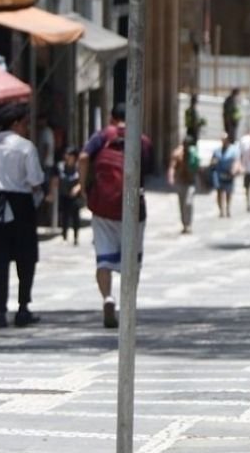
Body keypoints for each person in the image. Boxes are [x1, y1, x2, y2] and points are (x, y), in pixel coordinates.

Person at [80, 104, 153, 329]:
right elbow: (146, 171)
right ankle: (127, 304)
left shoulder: (102, 136)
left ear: (112, 118)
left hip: (103, 204)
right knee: (132, 258)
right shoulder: (142, 140)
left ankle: (107, 298)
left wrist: (85, 188)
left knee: (104, 256)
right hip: (132, 203)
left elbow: (83, 157)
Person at [0, 103, 45, 328]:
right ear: (16, 124)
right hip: (21, 202)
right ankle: (23, 307)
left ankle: (0, 312)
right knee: (26, 258)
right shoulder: (25, 148)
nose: (27, 128)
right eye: (25, 123)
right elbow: (35, 180)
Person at [167, 137, 199, 234]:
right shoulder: (177, 153)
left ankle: (188, 224)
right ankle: (184, 224)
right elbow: (172, 166)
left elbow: (197, 167)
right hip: (181, 182)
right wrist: (171, 177)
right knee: (181, 204)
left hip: (190, 182)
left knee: (188, 203)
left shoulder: (193, 153)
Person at [57, 148, 82, 245]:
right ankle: (64, 236)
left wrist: (77, 188)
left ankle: (76, 237)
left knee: (75, 217)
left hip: (74, 196)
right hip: (64, 195)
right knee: (64, 216)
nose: (67, 157)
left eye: (69, 155)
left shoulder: (78, 167)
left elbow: (82, 180)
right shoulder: (61, 166)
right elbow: (57, 178)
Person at [210, 133, 239, 218]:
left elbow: (236, 161)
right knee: (219, 192)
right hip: (219, 174)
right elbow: (212, 161)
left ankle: (228, 208)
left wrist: (234, 169)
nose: (223, 142)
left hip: (229, 174)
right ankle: (221, 210)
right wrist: (213, 162)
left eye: (225, 140)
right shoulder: (217, 151)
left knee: (228, 193)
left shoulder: (233, 150)